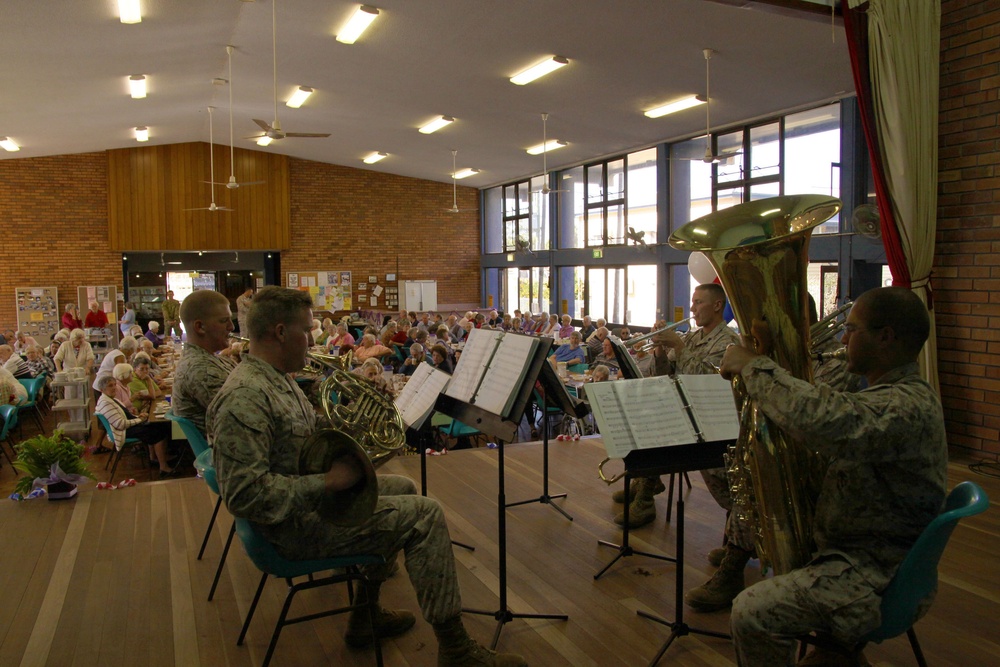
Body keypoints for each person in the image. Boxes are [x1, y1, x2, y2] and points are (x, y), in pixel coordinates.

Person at [207, 286, 526, 666]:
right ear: (279, 332)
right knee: (425, 515)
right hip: (292, 529)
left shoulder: (276, 378)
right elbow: (244, 495)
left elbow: (298, 440)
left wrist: (353, 415)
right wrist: (329, 481)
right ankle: (456, 650)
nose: (311, 340)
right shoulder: (244, 396)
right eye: (306, 330)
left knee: (404, 486)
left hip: (304, 510)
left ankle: (365, 615)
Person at [721, 287, 946, 666]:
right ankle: (836, 656)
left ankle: (835, 652)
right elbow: (823, 405)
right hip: (859, 548)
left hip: (875, 572)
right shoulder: (890, 394)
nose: (843, 338)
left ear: (886, 337)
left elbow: (821, 420)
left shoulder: (906, 405)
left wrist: (753, 365)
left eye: (852, 330)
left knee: (752, 611)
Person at [614, 284, 739, 529]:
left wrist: (679, 347)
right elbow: (661, 374)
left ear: (717, 306)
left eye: (698, 302)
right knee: (640, 414)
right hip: (684, 408)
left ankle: (646, 493)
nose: (692, 308)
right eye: (692, 302)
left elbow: (706, 380)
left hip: (709, 418)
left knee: (657, 425)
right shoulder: (692, 336)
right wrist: (660, 350)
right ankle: (643, 480)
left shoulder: (729, 342)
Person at [172, 290, 236, 433]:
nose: (231, 327)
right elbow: (248, 415)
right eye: (224, 321)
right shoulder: (200, 369)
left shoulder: (209, 360)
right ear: (200, 327)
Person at [95, 374, 178, 476]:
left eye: (114, 385)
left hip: (127, 427)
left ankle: (156, 457)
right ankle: (163, 467)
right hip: (123, 432)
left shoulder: (111, 399)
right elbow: (120, 424)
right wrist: (139, 420)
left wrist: (136, 415)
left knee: (160, 426)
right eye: (110, 386)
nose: (114, 388)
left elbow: (124, 414)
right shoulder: (105, 403)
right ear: (102, 390)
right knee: (158, 432)